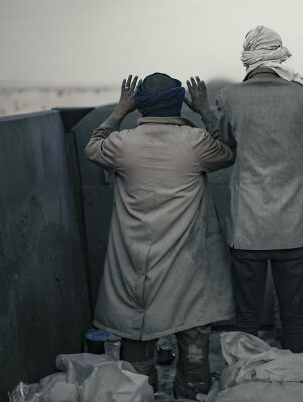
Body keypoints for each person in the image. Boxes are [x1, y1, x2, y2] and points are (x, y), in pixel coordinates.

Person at [83, 72, 235, 398]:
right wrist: (206, 111)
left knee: (136, 354)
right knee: (195, 352)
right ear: (178, 102)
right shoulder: (195, 142)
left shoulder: (121, 144)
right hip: (188, 272)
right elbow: (228, 151)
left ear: (139, 104)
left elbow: (92, 147)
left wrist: (118, 112)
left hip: (136, 271)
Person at [206, 25, 303, 353]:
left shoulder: (229, 97)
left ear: (248, 55)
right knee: (292, 313)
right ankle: (294, 378)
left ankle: (246, 379)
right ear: (279, 52)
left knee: (247, 314)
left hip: (248, 228)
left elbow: (228, 146)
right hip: (293, 227)